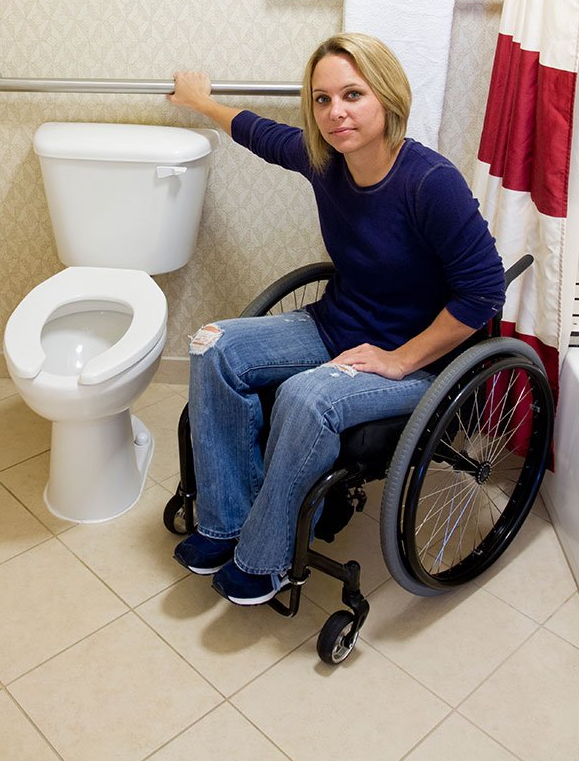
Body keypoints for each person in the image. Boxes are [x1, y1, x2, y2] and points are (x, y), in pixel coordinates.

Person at [166, 32, 506, 606]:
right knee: (213, 344)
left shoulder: (429, 182)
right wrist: (201, 102)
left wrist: (399, 360)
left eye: (352, 94)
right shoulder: (327, 159)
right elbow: (261, 133)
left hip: (415, 357)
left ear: (387, 98)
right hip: (336, 324)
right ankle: (225, 524)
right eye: (322, 99)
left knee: (306, 397)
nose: (335, 112)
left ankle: (266, 558)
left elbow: (484, 290)